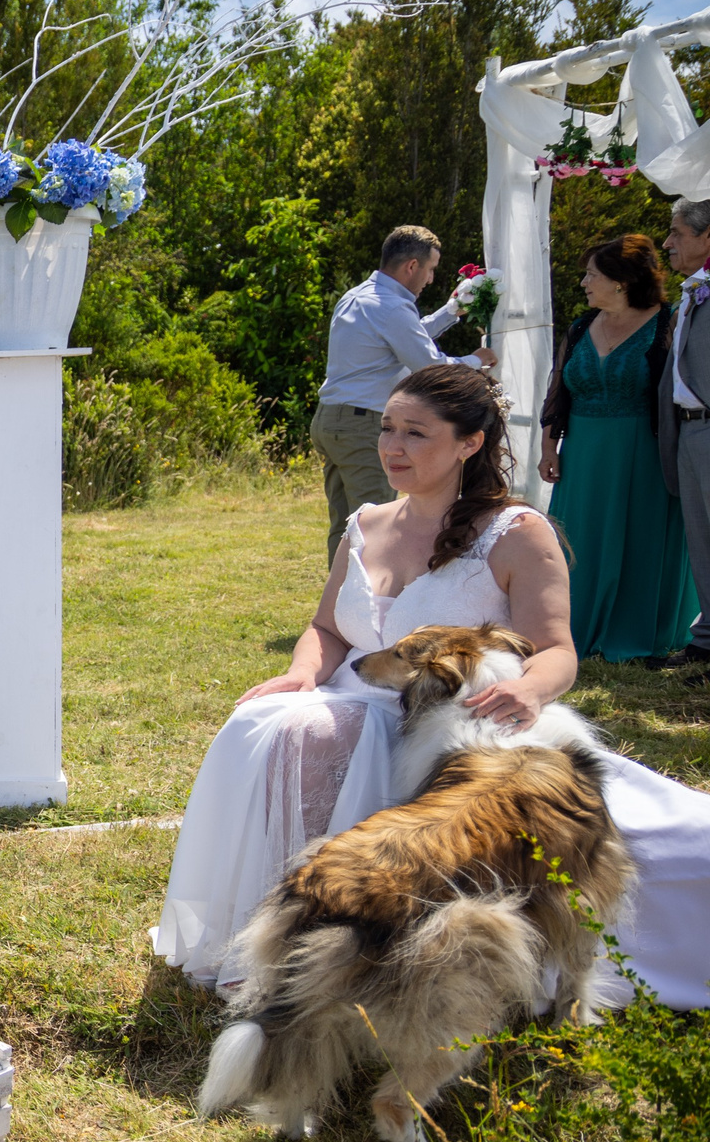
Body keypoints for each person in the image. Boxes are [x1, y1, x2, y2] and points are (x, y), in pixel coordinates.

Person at [155, 362, 709, 1010]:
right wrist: (304, 670)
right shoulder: (365, 523)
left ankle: (348, 936)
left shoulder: (517, 534)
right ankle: (276, 937)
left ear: (470, 442)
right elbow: (327, 627)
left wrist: (529, 691)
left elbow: (557, 650)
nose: (392, 446)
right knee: (265, 721)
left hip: (458, 723)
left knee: (683, 848)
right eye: (388, 429)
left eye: (415, 433)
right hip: (349, 693)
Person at [539, 233, 697, 661]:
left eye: (592, 275)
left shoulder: (670, 323)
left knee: (638, 538)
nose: (584, 283)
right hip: (584, 455)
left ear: (621, 281)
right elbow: (558, 391)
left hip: (644, 453)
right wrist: (548, 446)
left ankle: (635, 628)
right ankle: (572, 627)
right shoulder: (579, 327)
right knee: (580, 539)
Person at [309, 225, 494, 563]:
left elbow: (408, 334)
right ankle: (367, 603)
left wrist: (451, 311)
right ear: (412, 266)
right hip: (361, 425)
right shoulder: (392, 307)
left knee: (345, 525)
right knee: (374, 522)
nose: (431, 278)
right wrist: (475, 362)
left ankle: (339, 598)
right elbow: (427, 362)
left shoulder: (360, 296)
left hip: (331, 421)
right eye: (431, 269)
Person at [649, 197, 710, 677]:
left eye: (677, 233)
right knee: (701, 539)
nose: (667, 242)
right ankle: (706, 641)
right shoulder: (694, 290)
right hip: (689, 432)